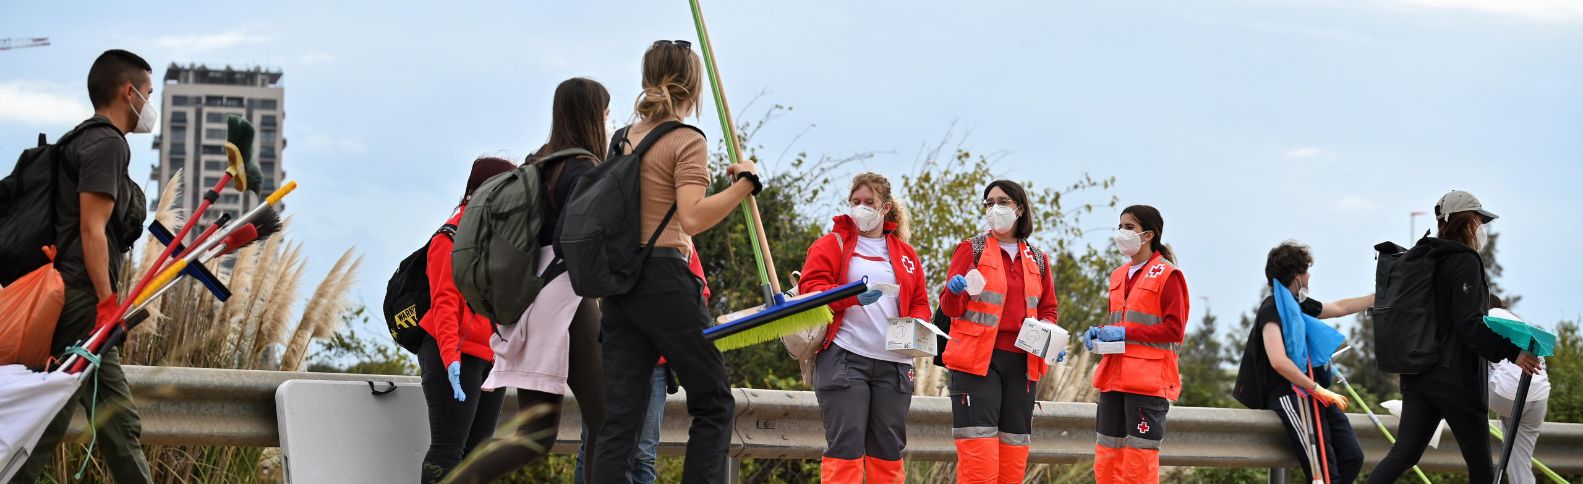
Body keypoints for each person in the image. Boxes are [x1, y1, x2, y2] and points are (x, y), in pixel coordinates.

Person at [590, 39, 761, 484]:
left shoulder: (621, 140)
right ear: (695, 84)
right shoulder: (687, 139)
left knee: (619, 420)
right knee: (714, 400)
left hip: (620, 287)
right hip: (665, 277)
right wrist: (746, 185)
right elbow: (692, 216)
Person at [445, 78, 611, 483]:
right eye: (604, 114)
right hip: (567, 303)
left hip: (529, 302)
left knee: (535, 434)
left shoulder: (539, 162)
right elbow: (580, 243)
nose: (607, 122)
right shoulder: (581, 168)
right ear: (592, 116)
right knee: (610, 424)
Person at [19, 49, 156, 484]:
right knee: (118, 422)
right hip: (82, 301)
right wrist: (106, 302)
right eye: (149, 93)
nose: (151, 105)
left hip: (66, 294)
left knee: (47, 423)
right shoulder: (107, 144)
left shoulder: (79, 139)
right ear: (128, 92)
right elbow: (92, 228)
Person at [1366, 190, 1541, 483]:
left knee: (1403, 455)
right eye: (1480, 221)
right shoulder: (1464, 261)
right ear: (1470, 221)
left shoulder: (1422, 260)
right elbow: (1469, 325)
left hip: (1418, 373)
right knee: (1480, 467)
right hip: (1455, 380)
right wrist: (1515, 353)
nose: (1481, 227)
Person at [798, 172, 930, 483]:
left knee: (888, 450)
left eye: (869, 202)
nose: (860, 208)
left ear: (885, 208)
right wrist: (850, 297)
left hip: (895, 364)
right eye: (855, 202)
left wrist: (918, 322)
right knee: (846, 447)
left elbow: (921, 302)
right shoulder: (832, 244)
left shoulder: (906, 254)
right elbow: (810, 291)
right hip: (845, 357)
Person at [937, 179, 1060, 484]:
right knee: (979, 459)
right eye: (989, 203)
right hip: (977, 363)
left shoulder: (1039, 259)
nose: (994, 208)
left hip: (1023, 365)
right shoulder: (972, 249)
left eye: (1002, 202)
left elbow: (1048, 309)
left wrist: (1050, 337)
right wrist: (954, 291)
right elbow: (951, 309)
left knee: (1013, 456)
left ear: (1019, 209)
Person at [1233, 241, 1371, 483]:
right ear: (1297, 276)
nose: (1309, 275)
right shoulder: (1272, 309)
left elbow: (1339, 307)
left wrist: (1377, 297)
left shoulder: (1297, 305)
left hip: (1312, 392)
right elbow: (1278, 361)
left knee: (1351, 457)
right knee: (1324, 473)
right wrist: (1317, 389)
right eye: (1306, 270)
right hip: (1289, 395)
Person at [417, 157, 513, 483]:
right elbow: (443, 303)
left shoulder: (497, 240)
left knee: (478, 456)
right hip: (454, 355)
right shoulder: (450, 236)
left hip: (489, 359)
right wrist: (450, 359)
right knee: (447, 451)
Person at [1082, 205, 1187, 484]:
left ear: (1148, 234)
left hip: (1147, 382)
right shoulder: (1118, 276)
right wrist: (1100, 333)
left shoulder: (1169, 275)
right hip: (1113, 379)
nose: (1122, 233)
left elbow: (1174, 330)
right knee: (1106, 462)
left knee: (1137, 468)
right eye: (1120, 226)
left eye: (1129, 227)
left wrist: (1124, 332)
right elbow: (1119, 323)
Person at [1488, 300, 1550, 484]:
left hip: (1506, 395)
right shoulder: (1518, 321)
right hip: (1539, 396)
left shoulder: (1486, 318)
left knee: (1470, 360)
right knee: (1520, 463)